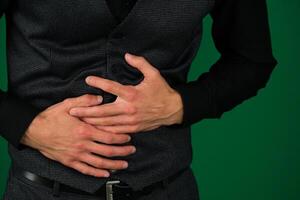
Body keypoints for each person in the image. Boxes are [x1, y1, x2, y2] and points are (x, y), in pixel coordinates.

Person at [0, 0, 277, 199]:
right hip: (41, 189)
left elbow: (252, 61)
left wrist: (179, 105)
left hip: (168, 187)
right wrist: (28, 127)